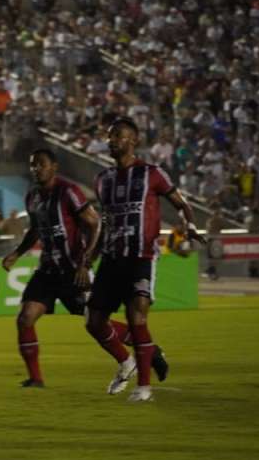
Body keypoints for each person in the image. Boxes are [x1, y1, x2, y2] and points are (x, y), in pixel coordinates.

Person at [2, 149, 167, 388]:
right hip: (47, 271)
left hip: (73, 271)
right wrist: (16, 254)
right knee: (25, 317)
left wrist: (85, 262)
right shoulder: (32, 197)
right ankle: (36, 379)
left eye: (41, 164)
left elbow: (94, 223)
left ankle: (146, 351)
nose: (36, 168)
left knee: (96, 320)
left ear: (54, 166)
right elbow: (35, 230)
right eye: (32, 165)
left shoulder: (68, 192)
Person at [85, 118, 206, 402]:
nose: (112, 140)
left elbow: (182, 204)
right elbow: (104, 223)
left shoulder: (153, 174)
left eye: (118, 135)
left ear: (133, 141)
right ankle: (137, 358)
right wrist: (88, 257)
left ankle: (143, 387)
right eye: (110, 135)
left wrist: (189, 225)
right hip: (112, 259)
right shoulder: (103, 179)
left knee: (135, 315)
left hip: (141, 256)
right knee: (93, 320)